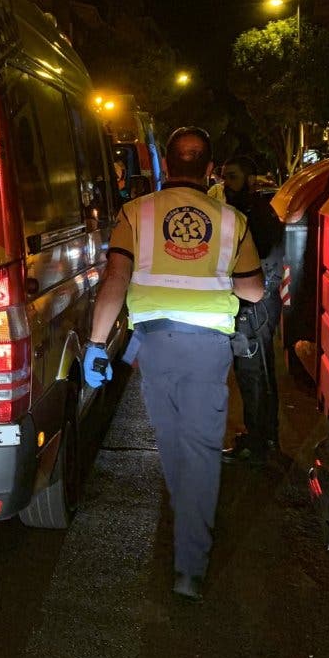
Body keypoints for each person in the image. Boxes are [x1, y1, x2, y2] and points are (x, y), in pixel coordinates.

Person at [81, 127, 264, 603]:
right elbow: (254, 290)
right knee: (202, 448)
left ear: (165, 163)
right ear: (210, 169)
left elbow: (116, 281)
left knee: (173, 444)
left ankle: (187, 520)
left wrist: (97, 345)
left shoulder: (135, 214)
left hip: (154, 347)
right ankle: (190, 563)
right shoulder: (231, 220)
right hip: (208, 349)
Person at [218, 156, 286, 466]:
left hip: (254, 309)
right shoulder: (248, 211)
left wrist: (249, 305)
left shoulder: (253, 214)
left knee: (253, 376)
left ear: (246, 179)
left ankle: (258, 444)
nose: (225, 184)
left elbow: (265, 262)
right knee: (256, 375)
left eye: (231, 177)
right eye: (223, 177)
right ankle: (262, 438)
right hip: (254, 306)